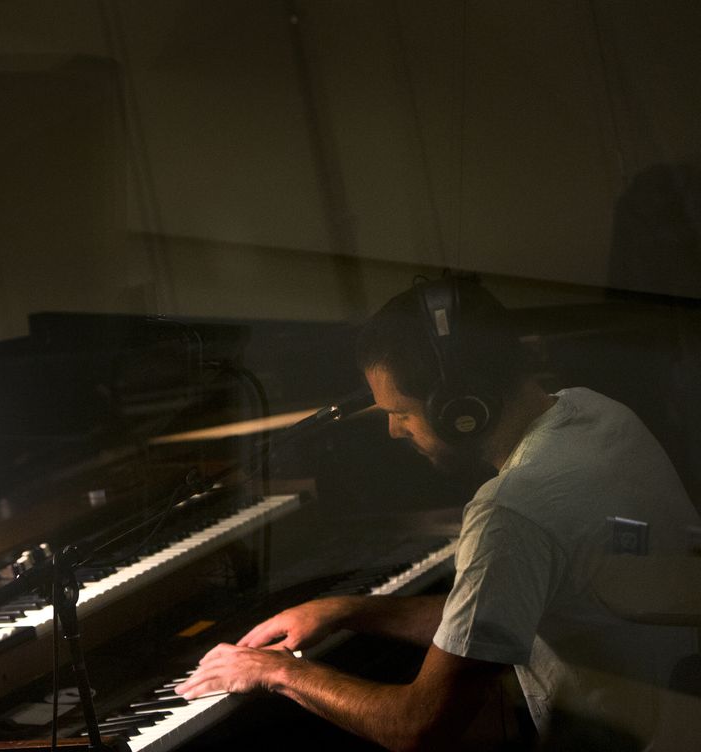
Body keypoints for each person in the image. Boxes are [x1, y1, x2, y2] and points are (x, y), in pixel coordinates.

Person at [176, 276, 701, 751]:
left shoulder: (511, 511)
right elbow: (487, 619)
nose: (393, 431)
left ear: (460, 408)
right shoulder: (596, 413)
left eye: (401, 413)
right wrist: (345, 611)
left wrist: (280, 674)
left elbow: (418, 726)